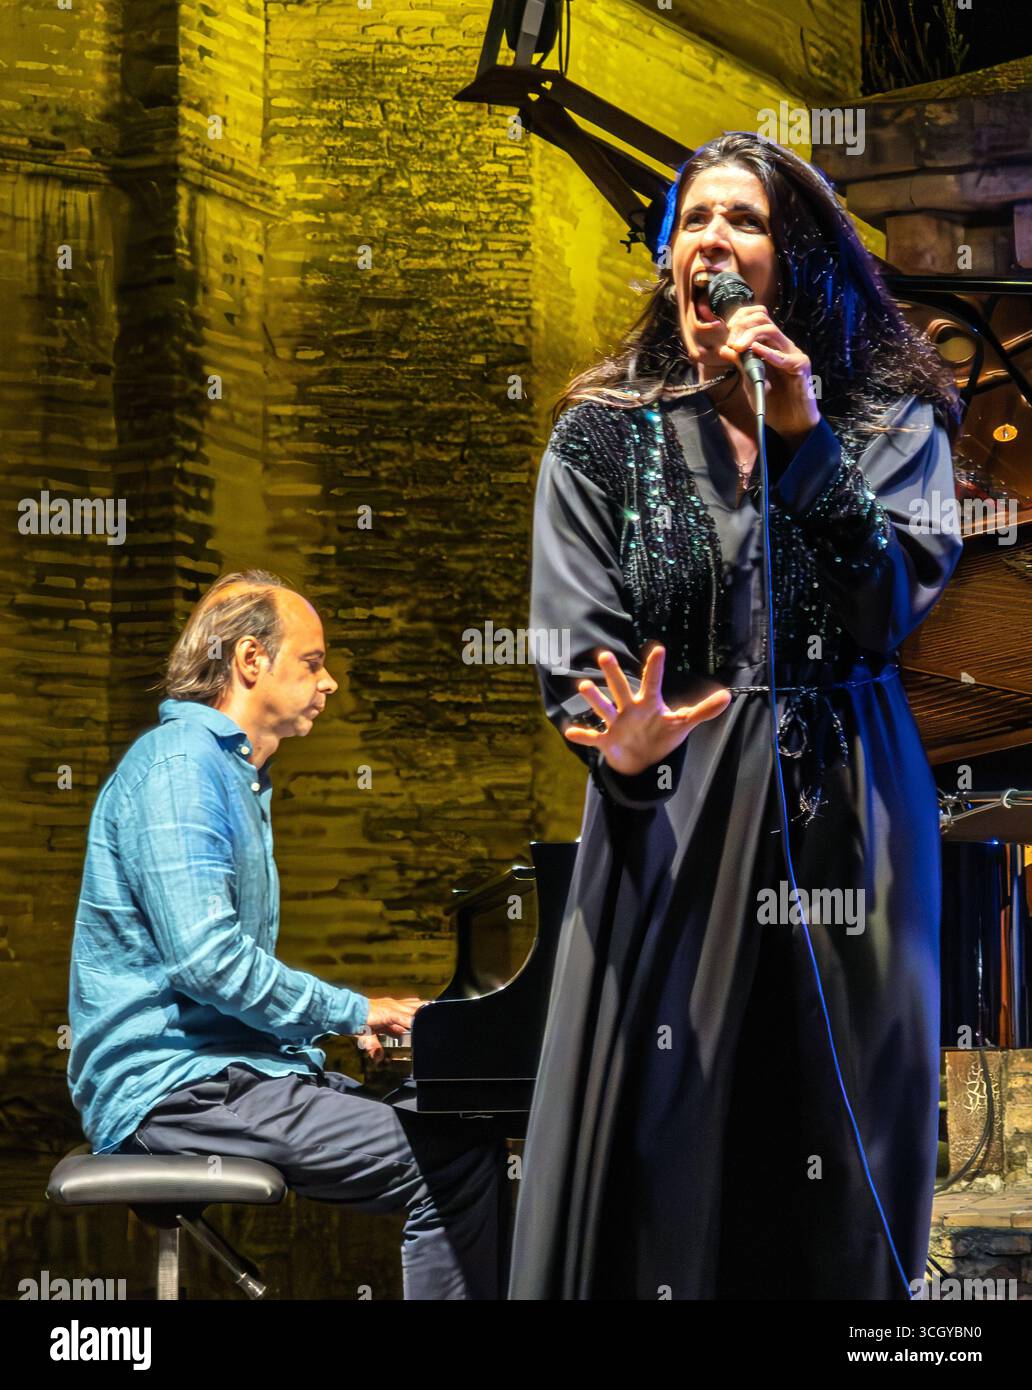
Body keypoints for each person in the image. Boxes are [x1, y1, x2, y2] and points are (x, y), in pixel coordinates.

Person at [507, 132, 964, 1300]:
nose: (712, 239)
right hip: (672, 814)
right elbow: (576, 642)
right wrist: (617, 735)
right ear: (670, 261)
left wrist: (805, 434)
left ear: (795, 261)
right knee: (668, 1162)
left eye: (744, 221)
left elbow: (888, 603)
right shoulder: (601, 435)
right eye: (692, 222)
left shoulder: (888, 420)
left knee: (842, 1174)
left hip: (850, 819)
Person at [68, 570, 508, 1299]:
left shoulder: (229, 776)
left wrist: (338, 1033)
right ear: (249, 660)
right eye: (312, 661)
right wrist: (353, 1011)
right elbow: (209, 965)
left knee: (458, 1125)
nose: (329, 681)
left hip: (227, 1078)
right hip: (175, 1094)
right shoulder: (181, 768)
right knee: (453, 1160)